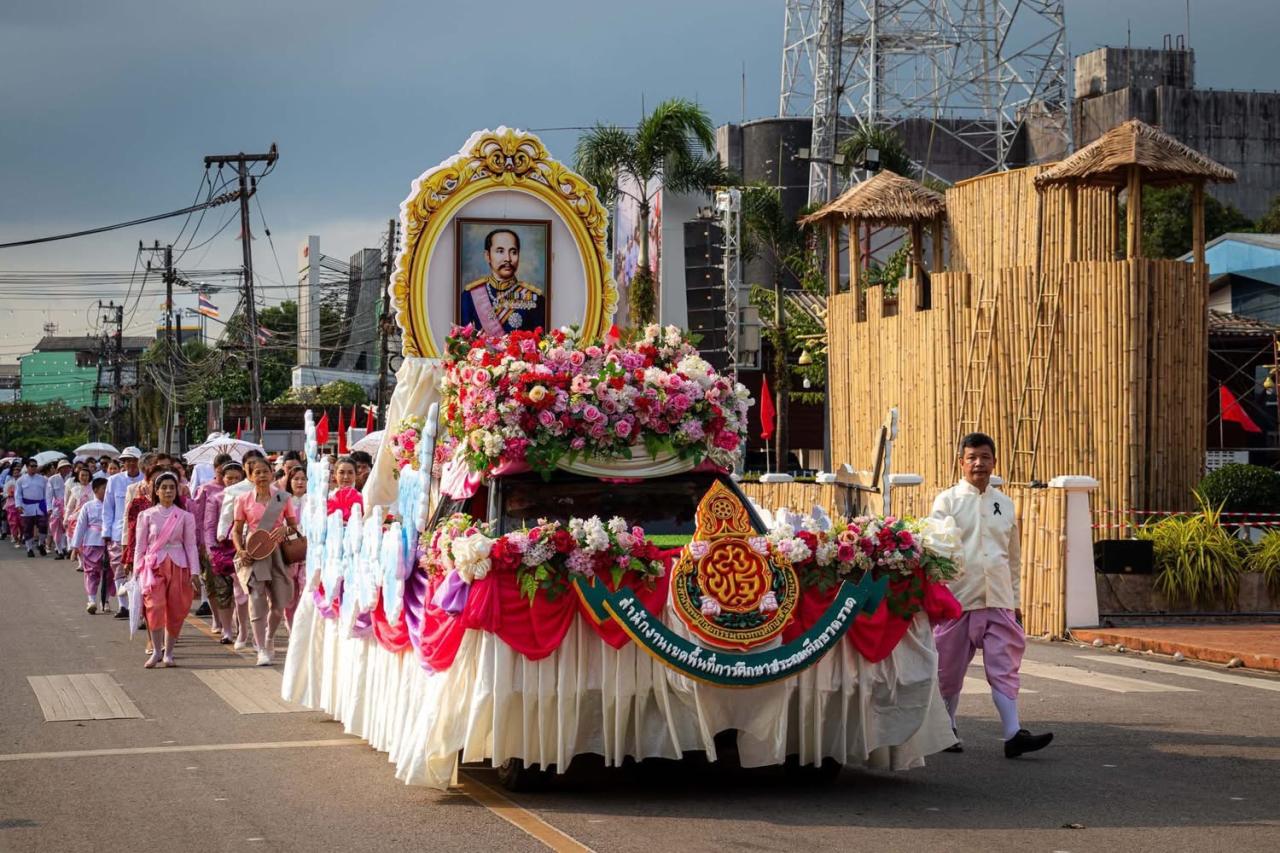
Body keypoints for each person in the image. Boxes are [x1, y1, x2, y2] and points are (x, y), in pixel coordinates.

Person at [931, 432, 1053, 759]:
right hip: (958, 600)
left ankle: (1013, 733)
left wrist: (1014, 601)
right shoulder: (947, 502)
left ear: (994, 462)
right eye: (972, 457)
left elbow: (1012, 558)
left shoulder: (1005, 503)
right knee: (948, 670)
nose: (978, 464)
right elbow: (935, 551)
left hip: (997, 599)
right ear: (961, 463)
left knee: (1005, 665)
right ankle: (947, 728)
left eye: (985, 457)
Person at [231, 457, 299, 666]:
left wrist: (285, 529)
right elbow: (236, 530)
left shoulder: (283, 498)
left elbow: (294, 527)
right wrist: (240, 550)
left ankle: (269, 638)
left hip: (278, 552)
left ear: (272, 474)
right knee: (257, 598)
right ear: (250, 476)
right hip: (255, 552)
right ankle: (261, 648)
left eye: (265, 472)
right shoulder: (243, 500)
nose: (261, 476)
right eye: (256, 472)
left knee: (279, 604)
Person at [133, 471, 200, 668]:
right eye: (164, 487)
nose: (168, 491)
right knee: (154, 606)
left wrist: (194, 571)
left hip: (179, 565)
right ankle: (156, 650)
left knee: (177, 608)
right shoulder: (146, 515)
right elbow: (140, 545)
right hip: (154, 566)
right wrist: (137, 571)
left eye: (172, 487)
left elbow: (190, 545)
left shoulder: (185, 516)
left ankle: (169, 652)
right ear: (156, 490)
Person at [460, 227, 544, 335]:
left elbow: (542, 345)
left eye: (513, 252)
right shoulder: (469, 297)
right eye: (500, 251)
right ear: (487, 256)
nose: (508, 258)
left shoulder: (535, 298)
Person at [102, 448, 143, 618]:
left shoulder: (145, 480)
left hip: (141, 531)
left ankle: (137, 606)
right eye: (127, 460)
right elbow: (108, 507)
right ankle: (123, 605)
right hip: (119, 532)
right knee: (118, 567)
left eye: (134, 460)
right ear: (123, 463)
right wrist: (106, 531)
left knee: (138, 569)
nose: (131, 464)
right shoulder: (113, 481)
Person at [71, 475, 113, 614]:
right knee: (91, 573)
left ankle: (105, 600)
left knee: (108, 573)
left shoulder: (112, 505)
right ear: (95, 490)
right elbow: (80, 526)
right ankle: (92, 600)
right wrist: (75, 547)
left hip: (110, 542)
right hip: (92, 542)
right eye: (103, 488)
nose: (107, 491)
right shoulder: (87, 506)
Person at [283, 465, 309, 628]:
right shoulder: (282, 500)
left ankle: (302, 627)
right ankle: (291, 625)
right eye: (296, 479)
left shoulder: (313, 500)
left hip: (308, 552)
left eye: (303, 479)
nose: (300, 482)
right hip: (289, 552)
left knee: (305, 589)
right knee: (290, 593)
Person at [16, 458, 50, 558]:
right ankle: (29, 548)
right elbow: (17, 494)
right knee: (28, 529)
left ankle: (40, 544)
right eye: (32, 466)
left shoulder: (42, 479)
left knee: (43, 526)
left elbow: (47, 494)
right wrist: (19, 505)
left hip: (40, 506)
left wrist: (48, 506)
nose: (34, 468)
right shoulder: (21, 480)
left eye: (35, 466)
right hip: (26, 507)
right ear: (27, 467)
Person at [64, 466, 94, 571]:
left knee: (87, 541)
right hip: (76, 518)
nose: (84, 477)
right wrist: (66, 519)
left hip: (90, 518)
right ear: (78, 476)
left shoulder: (94, 488)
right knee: (79, 541)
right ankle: (81, 562)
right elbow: (70, 506)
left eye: (86, 475)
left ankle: (88, 561)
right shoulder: (75, 489)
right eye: (82, 475)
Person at [46, 458, 72, 559]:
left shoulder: (72, 479)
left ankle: (66, 547)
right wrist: (49, 508)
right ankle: (59, 550)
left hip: (69, 506)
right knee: (55, 529)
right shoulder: (52, 479)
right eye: (63, 467)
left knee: (67, 528)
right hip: (56, 507)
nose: (66, 469)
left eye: (67, 467)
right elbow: (48, 494)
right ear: (59, 469)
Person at [327, 456, 362, 521]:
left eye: (350, 473)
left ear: (356, 475)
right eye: (342, 472)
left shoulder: (363, 498)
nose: (346, 477)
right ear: (335, 475)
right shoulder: (328, 497)